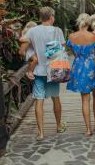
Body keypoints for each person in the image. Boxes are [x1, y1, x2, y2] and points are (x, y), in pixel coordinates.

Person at [25, 7, 66, 141]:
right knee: (55, 97)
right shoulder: (57, 30)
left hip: (38, 71)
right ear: (51, 17)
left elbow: (24, 42)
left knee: (39, 100)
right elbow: (62, 48)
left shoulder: (32, 30)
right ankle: (59, 126)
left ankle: (41, 133)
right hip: (53, 70)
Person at [67, 13, 95, 137]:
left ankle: (88, 129)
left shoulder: (71, 37)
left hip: (78, 67)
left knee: (84, 99)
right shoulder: (92, 36)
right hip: (92, 67)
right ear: (88, 23)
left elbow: (73, 52)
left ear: (78, 22)